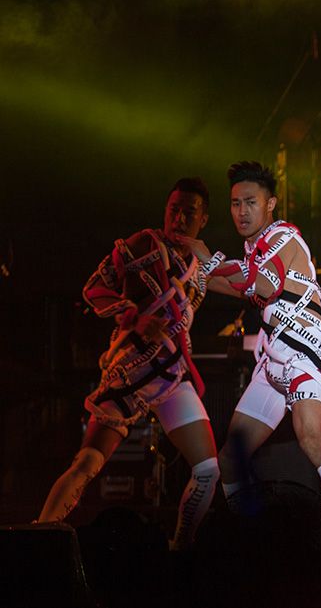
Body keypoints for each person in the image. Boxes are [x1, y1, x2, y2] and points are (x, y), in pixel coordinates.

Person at [38, 178, 219, 550]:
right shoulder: (143, 244)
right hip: (130, 371)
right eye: (174, 209)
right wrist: (133, 316)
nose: (179, 218)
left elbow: (242, 284)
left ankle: (181, 551)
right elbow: (93, 288)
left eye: (189, 212)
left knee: (207, 469)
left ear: (203, 219)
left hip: (171, 377)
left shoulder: (200, 264)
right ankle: (37, 540)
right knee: (87, 464)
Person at [183, 161, 321, 530]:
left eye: (250, 202)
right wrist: (193, 271)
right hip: (276, 356)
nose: (241, 211)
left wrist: (207, 258)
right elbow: (241, 286)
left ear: (270, 204)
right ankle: (243, 535)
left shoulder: (282, 235)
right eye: (235, 203)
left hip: (305, 351)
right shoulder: (253, 249)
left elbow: (264, 285)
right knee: (231, 458)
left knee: (311, 439)